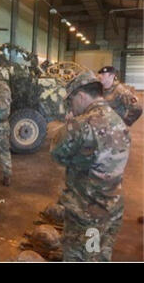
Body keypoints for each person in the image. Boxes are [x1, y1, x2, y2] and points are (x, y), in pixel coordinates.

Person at [51, 70, 131, 262]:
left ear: (81, 95)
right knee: (100, 255)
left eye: (71, 100)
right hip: (112, 209)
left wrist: (67, 126)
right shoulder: (119, 122)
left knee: (80, 256)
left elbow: (57, 153)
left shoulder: (81, 124)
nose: (71, 106)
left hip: (87, 215)